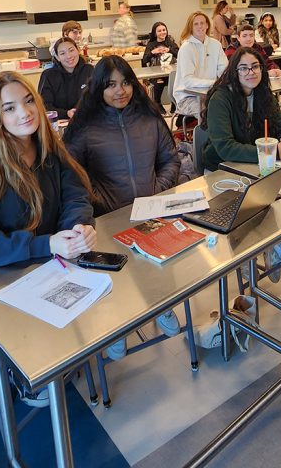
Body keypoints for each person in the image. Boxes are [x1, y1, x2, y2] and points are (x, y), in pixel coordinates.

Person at [64, 55, 183, 357]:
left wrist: (158, 190)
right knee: (115, 279)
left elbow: (170, 159)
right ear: (97, 89)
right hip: (107, 218)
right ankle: (116, 325)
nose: (121, 91)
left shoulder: (149, 117)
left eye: (126, 82)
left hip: (150, 212)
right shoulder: (85, 128)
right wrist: (99, 201)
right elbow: (71, 175)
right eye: (111, 85)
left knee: (157, 272)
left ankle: (162, 307)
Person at [0, 70, 95, 271]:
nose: (25, 113)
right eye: (9, 108)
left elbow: (74, 196)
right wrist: (45, 244)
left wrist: (77, 228)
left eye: (29, 101)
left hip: (45, 266)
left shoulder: (48, 147)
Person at [201, 47, 281, 280]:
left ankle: (268, 246)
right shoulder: (221, 98)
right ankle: (252, 252)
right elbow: (224, 147)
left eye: (255, 66)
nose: (251, 72)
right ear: (234, 71)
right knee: (248, 209)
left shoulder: (263, 95)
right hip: (221, 170)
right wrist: (274, 150)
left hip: (255, 168)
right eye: (244, 67)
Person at [173, 10, 227, 117]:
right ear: (191, 27)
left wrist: (225, 82)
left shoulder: (216, 45)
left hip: (211, 94)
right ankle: (208, 134)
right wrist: (213, 83)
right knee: (210, 113)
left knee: (232, 107)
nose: (200, 26)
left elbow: (224, 70)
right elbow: (188, 81)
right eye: (196, 24)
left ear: (207, 25)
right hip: (188, 98)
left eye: (202, 23)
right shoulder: (186, 48)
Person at [38, 37, 93, 119]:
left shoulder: (89, 70)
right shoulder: (48, 75)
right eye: (62, 53)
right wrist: (66, 113)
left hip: (87, 120)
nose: (69, 56)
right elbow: (44, 106)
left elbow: (98, 98)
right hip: (58, 122)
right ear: (57, 57)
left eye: (71, 50)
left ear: (78, 50)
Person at [141, 21, 180, 109]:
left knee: (175, 82)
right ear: (155, 33)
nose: (162, 32)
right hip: (157, 75)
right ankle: (158, 105)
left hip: (171, 73)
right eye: (159, 31)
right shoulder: (151, 45)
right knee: (158, 83)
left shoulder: (171, 42)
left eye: (164, 30)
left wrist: (169, 50)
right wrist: (152, 52)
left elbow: (180, 54)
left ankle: (174, 105)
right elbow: (144, 60)